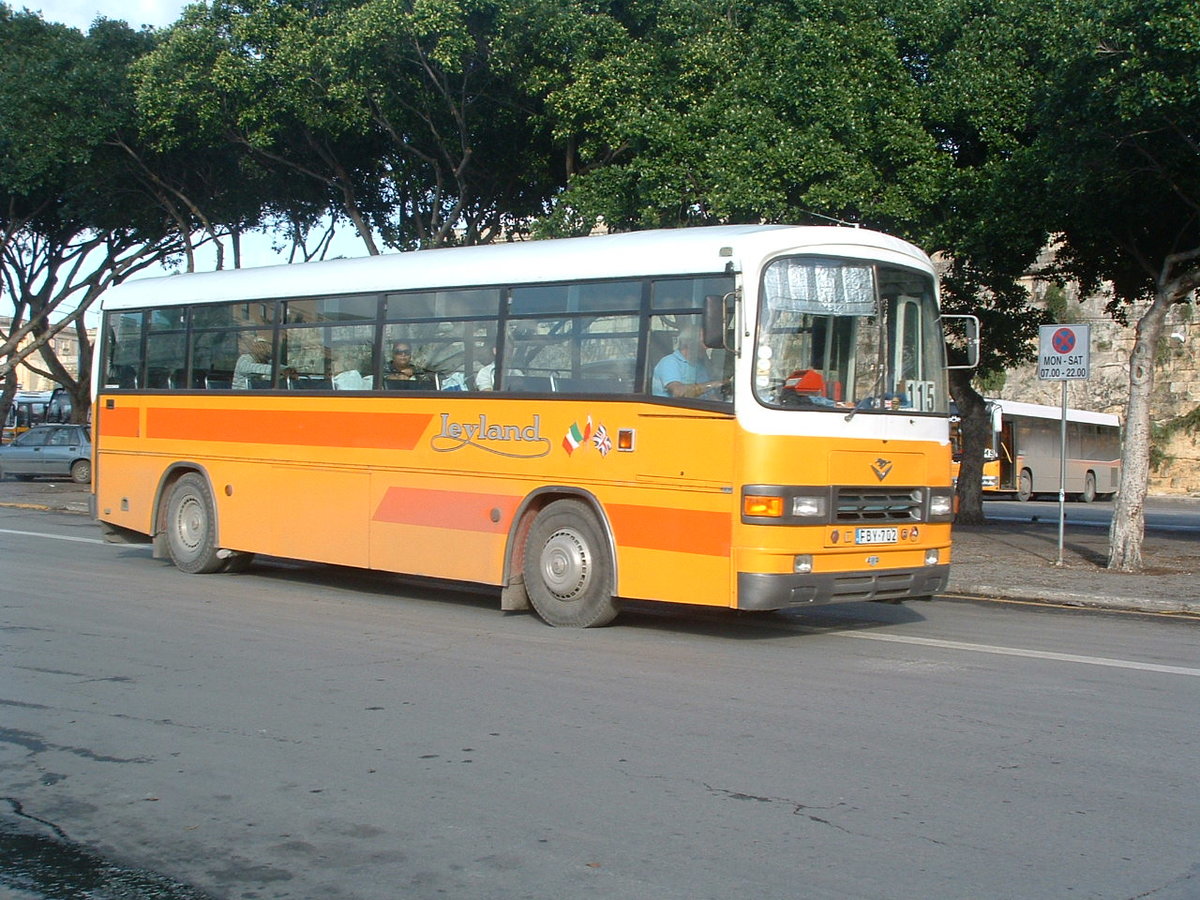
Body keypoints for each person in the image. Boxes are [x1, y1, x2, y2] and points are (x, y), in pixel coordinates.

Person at [652, 323, 727, 399]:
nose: (706, 347)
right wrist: (712, 384)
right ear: (690, 344)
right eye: (703, 343)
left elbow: (710, 396)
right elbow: (678, 392)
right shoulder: (669, 362)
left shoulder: (699, 365)